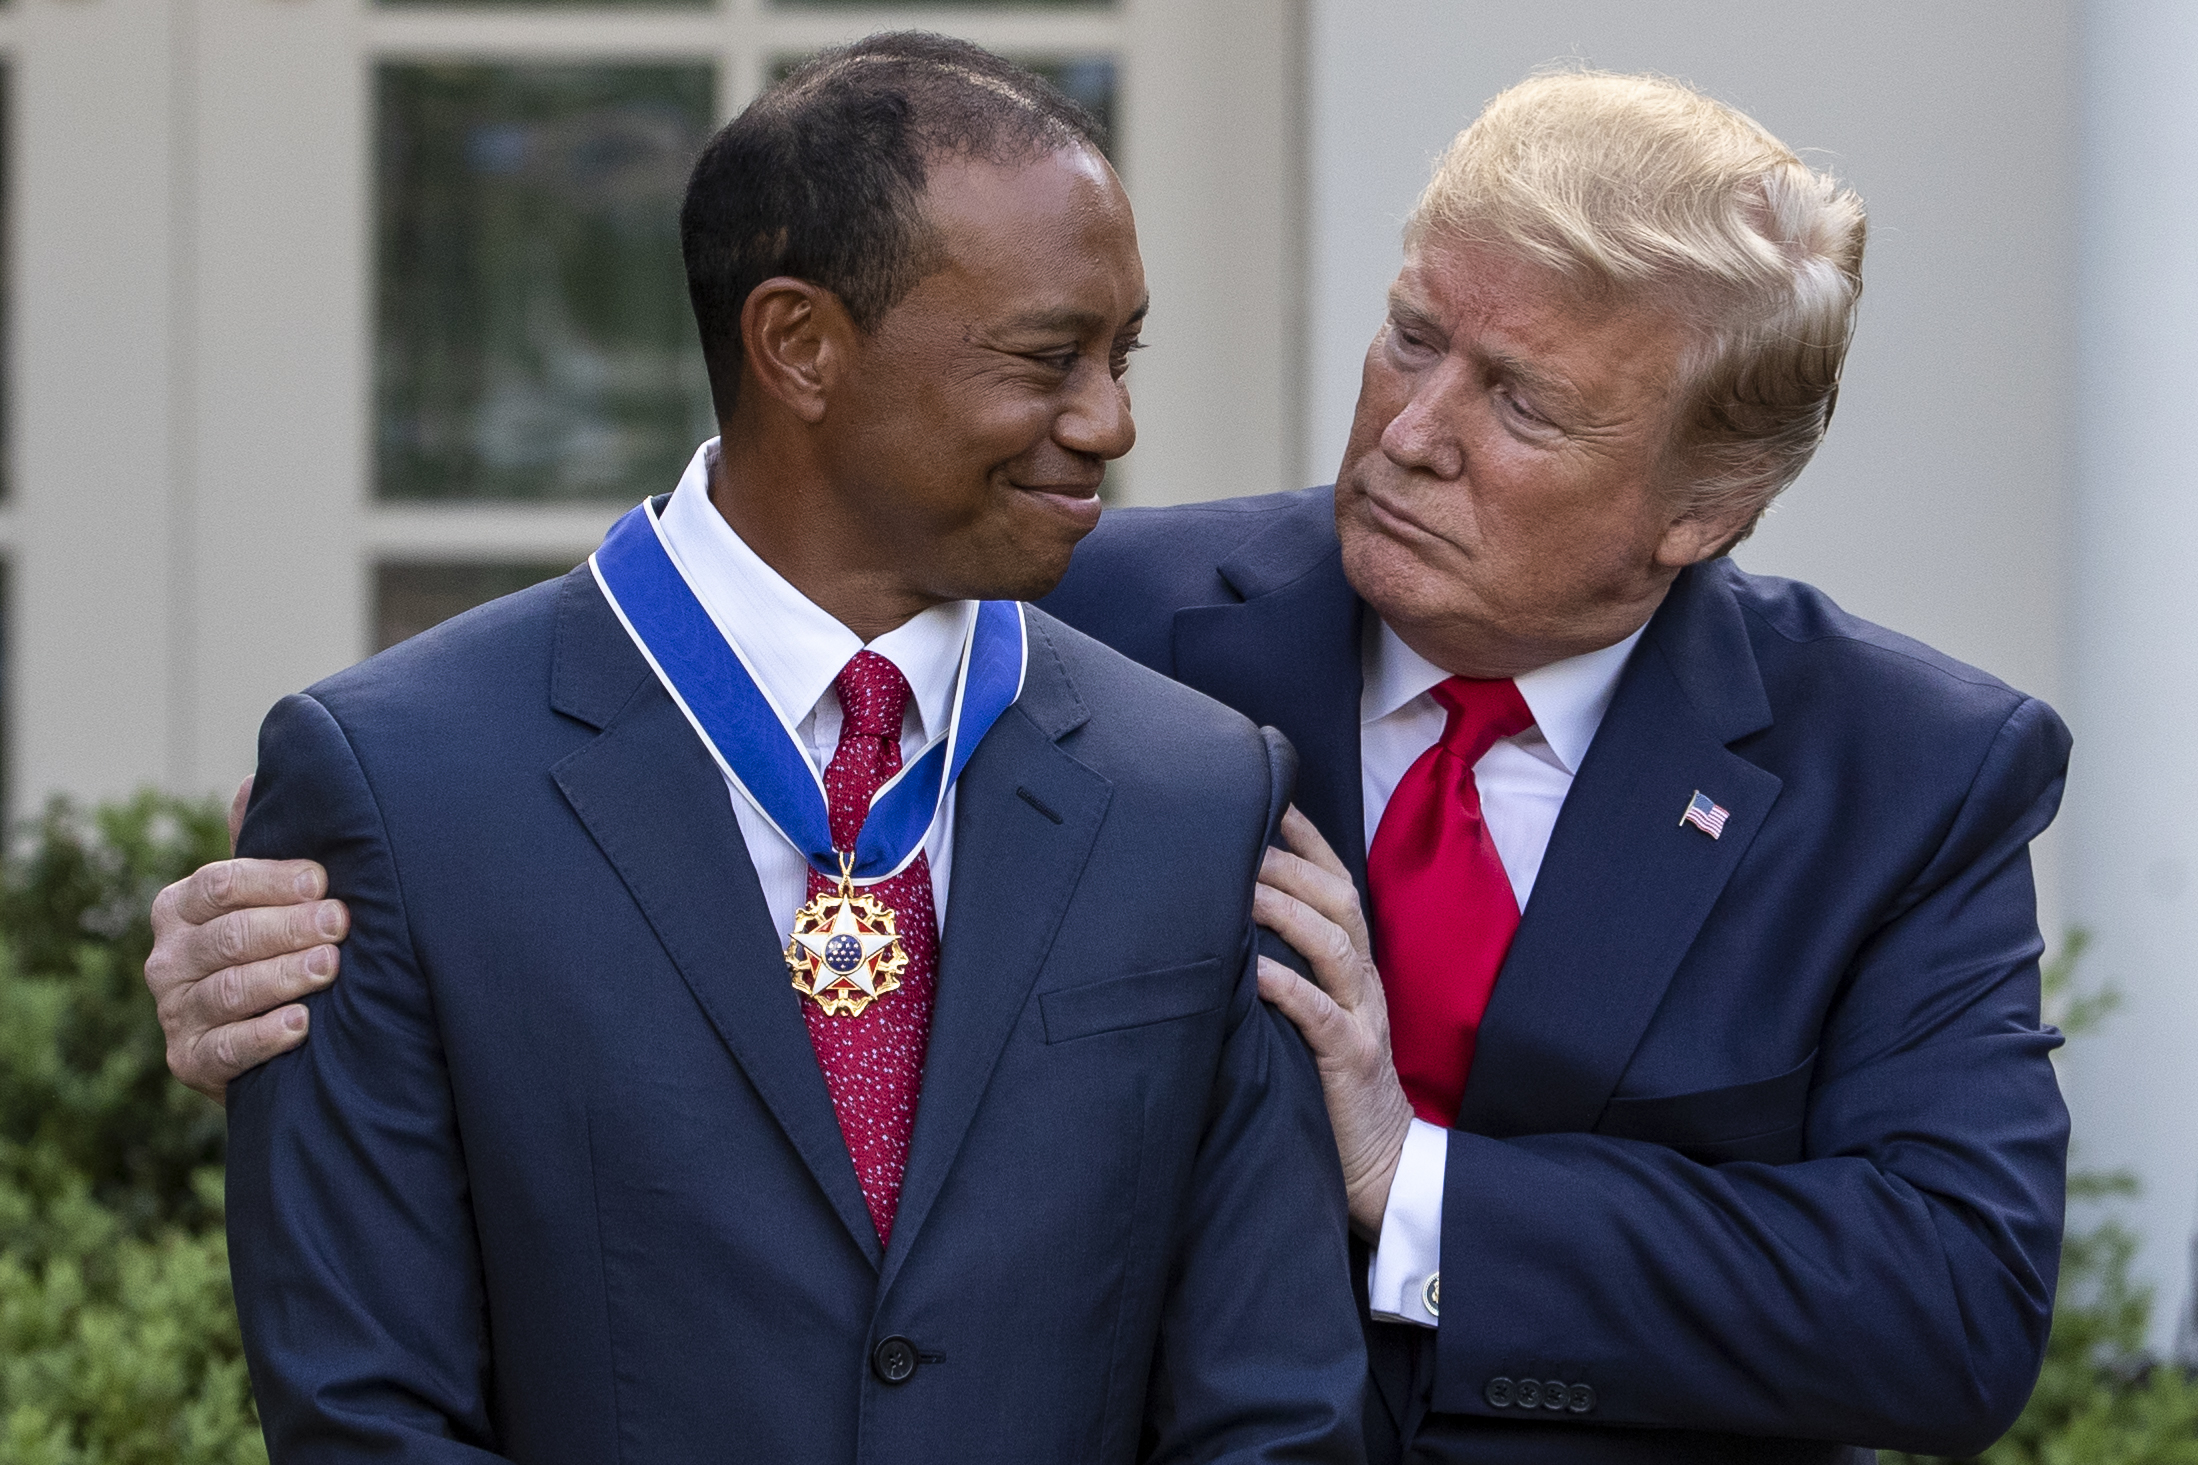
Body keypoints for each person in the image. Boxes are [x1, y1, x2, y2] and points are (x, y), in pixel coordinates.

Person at [151, 68, 2072, 1465]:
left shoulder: (1906, 773)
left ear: (1706, 505)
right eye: (1411, 338)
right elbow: (745, 592)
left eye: (1522, 405)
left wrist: (1410, 1184)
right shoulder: (1092, 614)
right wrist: (348, 889)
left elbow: (1950, 1306)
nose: (1405, 430)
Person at [197, 34, 1367, 1464]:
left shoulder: (1197, 788)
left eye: (1119, 355)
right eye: (1046, 356)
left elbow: (1277, 1415)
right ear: (798, 344)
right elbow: (364, 1413)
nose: (1109, 421)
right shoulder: (395, 782)